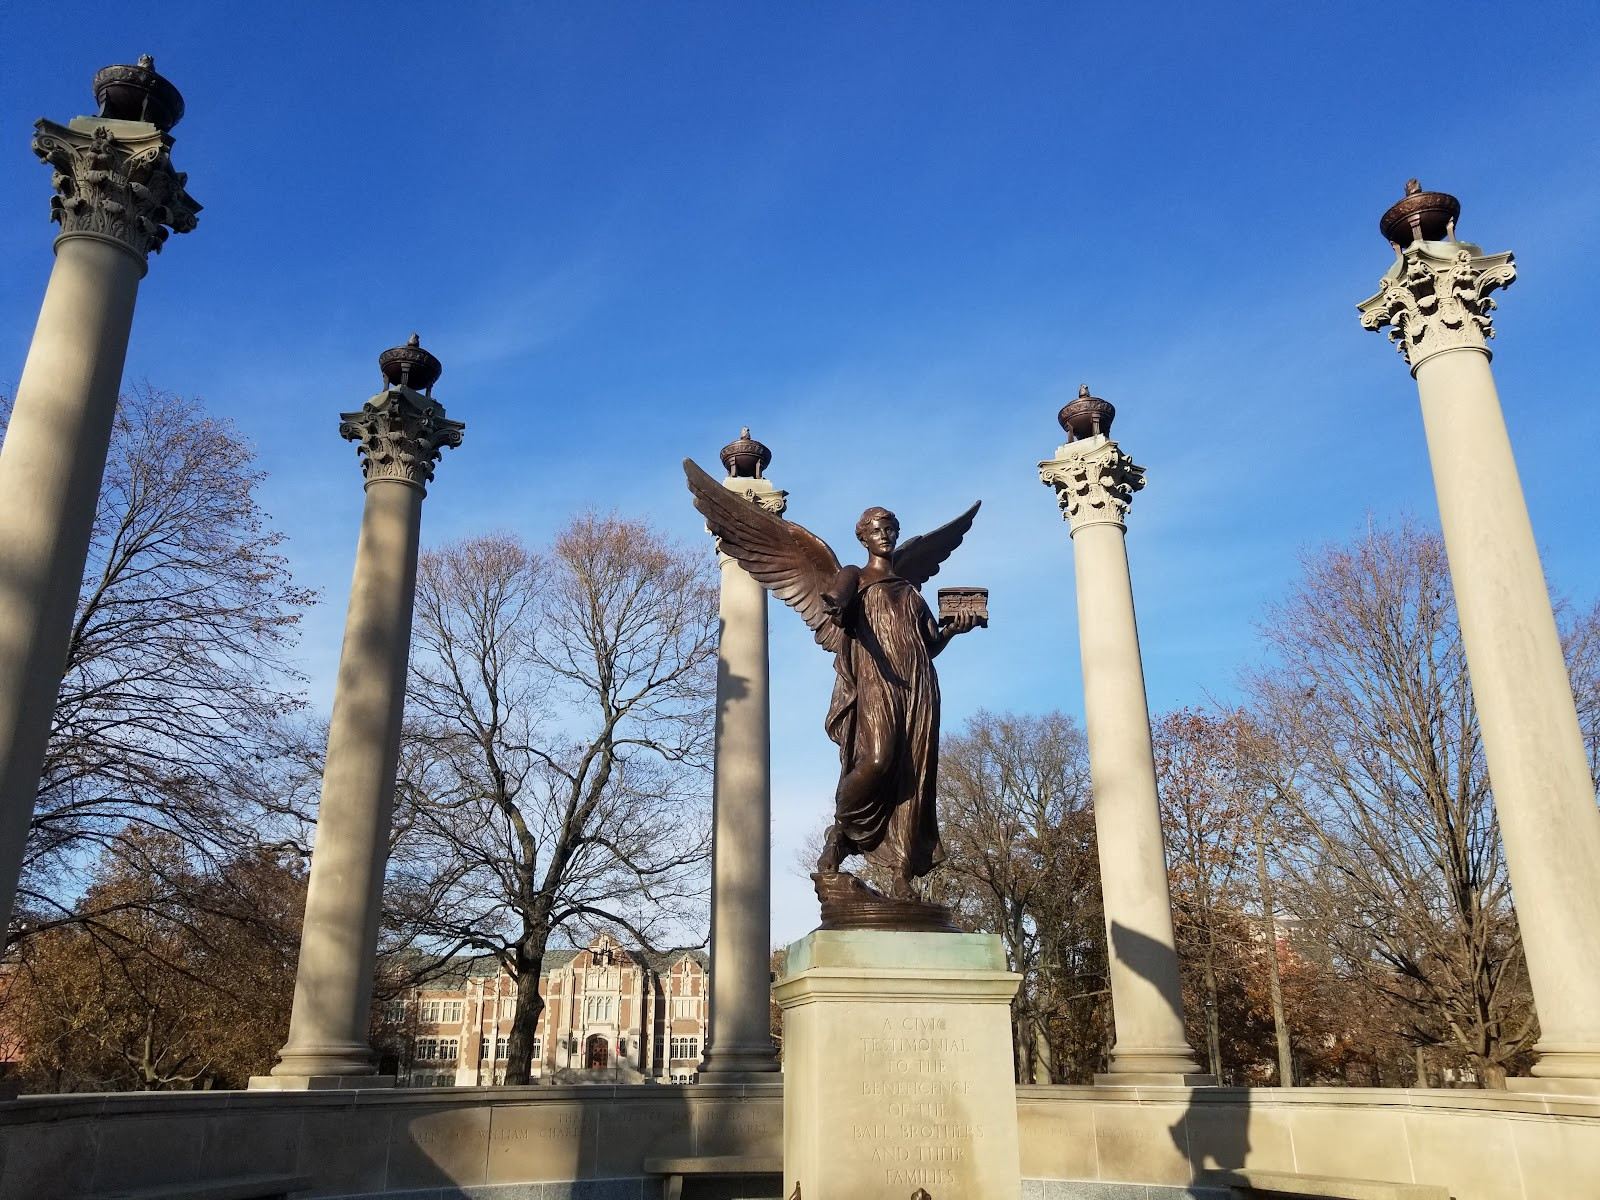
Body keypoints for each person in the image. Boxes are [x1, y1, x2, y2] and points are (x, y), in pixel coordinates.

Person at [817, 507, 981, 897]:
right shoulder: (854, 576)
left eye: (890, 529)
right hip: (877, 681)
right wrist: (839, 607)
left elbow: (929, 645)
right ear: (863, 537)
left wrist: (954, 631)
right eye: (877, 530)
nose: (885, 535)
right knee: (877, 760)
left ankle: (901, 872)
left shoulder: (909, 589)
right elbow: (836, 603)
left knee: (913, 776)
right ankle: (842, 830)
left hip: (920, 686)